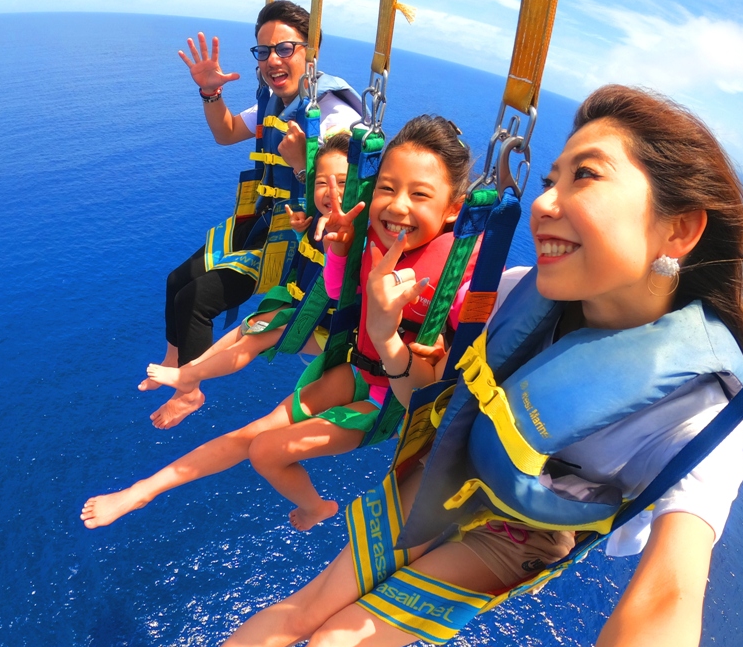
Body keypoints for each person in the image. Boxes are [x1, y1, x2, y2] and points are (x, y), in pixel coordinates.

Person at [221, 84, 743, 647]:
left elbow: (669, 594)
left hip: (522, 535)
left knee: (336, 640)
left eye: (585, 175)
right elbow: (423, 398)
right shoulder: (510, 298)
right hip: (447, 474)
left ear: (678, 229)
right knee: (304, 610)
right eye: (550, 181)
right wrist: (388, 335)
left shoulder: (698, 410)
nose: (543, 203)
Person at [81, 115, 474, 533]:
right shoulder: (371, 241)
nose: (397, 206)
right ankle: (144, 489)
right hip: (356, 370)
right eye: (387, 188)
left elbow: (432, 386)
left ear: (454, 208)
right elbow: (337, 291)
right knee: (253, 429)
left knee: (265, 450)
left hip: (390, 403)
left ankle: (313, 506)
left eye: (419, 194)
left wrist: (395, 338)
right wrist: (340, 250)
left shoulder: (457, 285)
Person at [143, 0, 361, 430]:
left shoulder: (336, 117)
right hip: (265, 221)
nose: (272, 60)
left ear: (310, 51)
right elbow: (225, 132)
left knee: (196, 300)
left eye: (285, 48)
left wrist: (302, 164)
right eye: (264, 51)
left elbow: (343, 201)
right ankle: (174, 359)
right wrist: (211, 92)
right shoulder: (279, 101)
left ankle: (189, 391)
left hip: (299, 241)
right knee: (176, 280)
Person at [143, 131, 351, 396]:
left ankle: (189, 381)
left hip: (332, 327)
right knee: (246, 327)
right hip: (309, 308)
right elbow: (313, 256)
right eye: (321, 182)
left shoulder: (353, 234)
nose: (332, 191)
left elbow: (335, 282)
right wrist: (301, 233)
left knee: (255, 338)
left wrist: (335, 243)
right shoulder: (318, 220)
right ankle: (188, 372)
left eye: (343, 182)